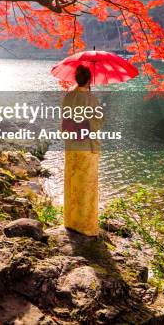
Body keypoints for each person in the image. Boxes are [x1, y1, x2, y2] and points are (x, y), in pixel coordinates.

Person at [62, 64, 102, 236]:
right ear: (89, 80)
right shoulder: (92, 99)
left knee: (73, 182)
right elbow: (98, 123)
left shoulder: (68, 97)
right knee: (86, 185)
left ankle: (71, 221)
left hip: (72, 146)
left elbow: (64, 121)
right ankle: (85, 226)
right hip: (86, 146)